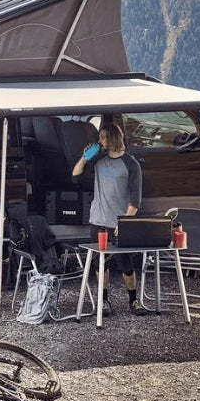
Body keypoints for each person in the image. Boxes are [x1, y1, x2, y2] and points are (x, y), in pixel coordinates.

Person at [72, 123, 145, 316]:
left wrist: (125, 222)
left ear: (112, 138)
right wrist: (85, 157)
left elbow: (135, 199)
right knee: (100, 262)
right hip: (98, 219)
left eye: (102, 137)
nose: (99, 141)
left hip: (118, 221)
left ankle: (133, 300)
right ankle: (103, 301)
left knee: (125, 263)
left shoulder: (131, 164)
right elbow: (75, 174)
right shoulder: (98, 160)